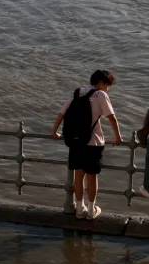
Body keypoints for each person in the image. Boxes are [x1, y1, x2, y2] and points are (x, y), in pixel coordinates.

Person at [51, 69, 123, 219]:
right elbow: (111, 118)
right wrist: (118, 137)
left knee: (79, 175)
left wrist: (54, 132)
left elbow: (62, 113)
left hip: (75, 142)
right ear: (103, 83)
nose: (108, 89)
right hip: (93, 142)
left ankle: (79, 209)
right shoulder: (101, 94)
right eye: (108, 85)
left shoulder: (78, 93)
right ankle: (91, 211)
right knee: (92, 177)